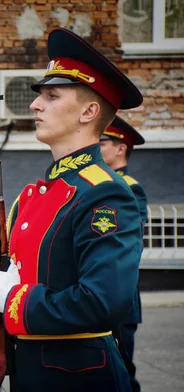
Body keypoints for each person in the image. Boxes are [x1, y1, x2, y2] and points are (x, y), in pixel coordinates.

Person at [0, 27, 144, 391]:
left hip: (82, 377)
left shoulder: (105, 195)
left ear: (89, 111)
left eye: (52, 96)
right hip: (28, 373)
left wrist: (12, 300)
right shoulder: (32, 196)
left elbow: (103, 302)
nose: (35, 104)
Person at [100, 115, 147, 392]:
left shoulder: (130, 187)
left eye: (103, 141)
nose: (98, 145)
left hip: (119, 292)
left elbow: (129, 244)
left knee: (122, 370)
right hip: (99, 295)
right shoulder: (101, 183)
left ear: (121, 148)